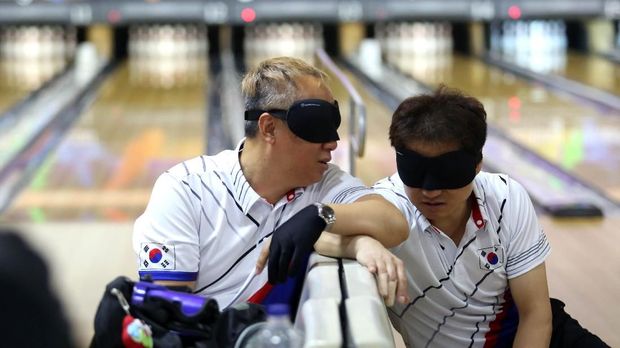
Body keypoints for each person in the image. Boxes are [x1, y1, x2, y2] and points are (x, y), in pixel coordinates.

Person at [133, 56, 409, 310]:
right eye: (315, 125)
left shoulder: (324, 184)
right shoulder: (185, 189)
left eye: (333, 124)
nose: (333, 142)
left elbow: (394, 223)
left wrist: (323, 217)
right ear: (268, 128)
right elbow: (165, 313)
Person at [369, 86, 609, 347]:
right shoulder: (386, 205)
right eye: (416, 170)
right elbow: (321, 223)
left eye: (448, 172)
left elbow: (536, 315)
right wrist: (361, 244)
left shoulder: (506, 196)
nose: (431, 190)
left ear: (477, 165)